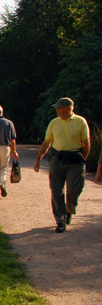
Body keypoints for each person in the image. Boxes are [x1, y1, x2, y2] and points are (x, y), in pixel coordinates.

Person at [33, 97, 90, 233]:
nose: (57, 110)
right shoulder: (54, 123)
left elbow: (86, 143)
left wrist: (84, 160)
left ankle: (69, 209)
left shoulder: (80, 122)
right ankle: (60, 220)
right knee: (56, 191)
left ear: (69, 108)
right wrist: (38, 159)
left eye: (60, 108)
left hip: (75, 160)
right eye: (57, 108)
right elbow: (47, 143)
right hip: (57, 159)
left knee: (74, 190)